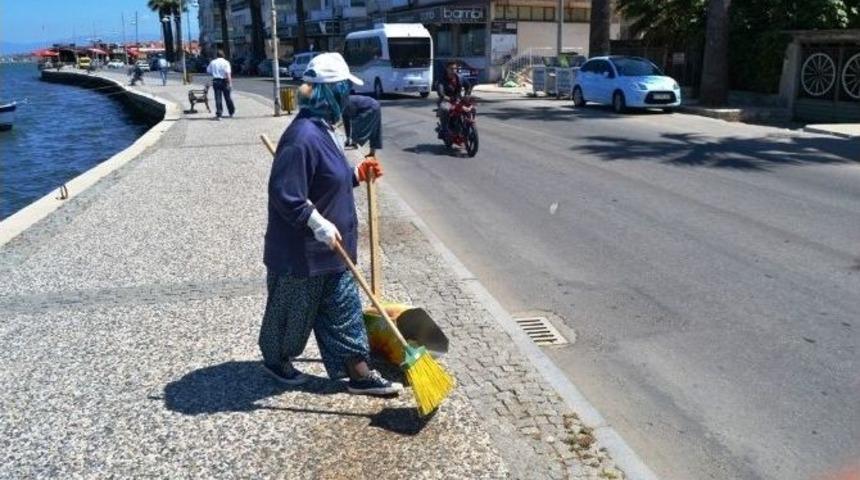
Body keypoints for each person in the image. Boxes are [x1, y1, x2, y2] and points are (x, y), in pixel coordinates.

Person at [259, 52, 402, 396]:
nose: (348, 98)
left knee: (345, 314)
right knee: (290, 319)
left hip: (335, 253)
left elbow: (326, 182)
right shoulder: (301, 137)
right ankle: (276, 360)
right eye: (344, 91)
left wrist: (356, 174)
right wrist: (317, 222)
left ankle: (358, 372)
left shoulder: (325, 132)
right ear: (330, 93)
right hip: (301, 256)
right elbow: (285, 193)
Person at [436, 61, 464, 138]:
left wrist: (467, 95)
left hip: (457, 99)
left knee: (471, 108)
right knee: (445, 109)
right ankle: (444, 129)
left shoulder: (460, 77)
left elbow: (468, 86)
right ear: (447, 69)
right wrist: (448, 98)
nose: (453, 70)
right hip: (446, 100)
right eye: (451, 68)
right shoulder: (442, 79)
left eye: (455, 68)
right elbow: (441, 92)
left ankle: (466, 125)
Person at [206, 50, 235, 120]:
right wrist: (230, 83)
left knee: (218, 98)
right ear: (223, 55)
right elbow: (228, 73)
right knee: (228, 97)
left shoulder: (213, 62)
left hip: (216, 81)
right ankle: (231, 112)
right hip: (224, 81)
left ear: (217, 55)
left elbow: (208, 71)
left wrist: (215, 72)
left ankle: (219, 114)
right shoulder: (226, 62)